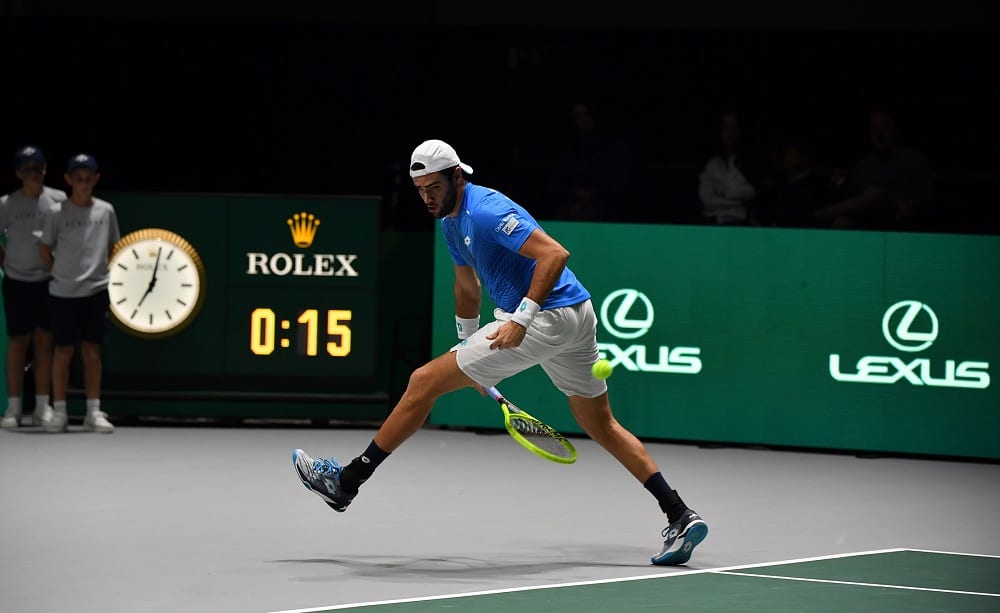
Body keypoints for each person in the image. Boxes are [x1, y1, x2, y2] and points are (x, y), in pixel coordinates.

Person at [293, 139, 708, 566]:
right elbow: (466, 285)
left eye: (434, 186)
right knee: (600, 424)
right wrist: (466, 341)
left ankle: (346, 482)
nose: (427, 196)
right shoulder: (450, 222)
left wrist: (522, 319)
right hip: (575, 316)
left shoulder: (488, 210)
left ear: (457, 175)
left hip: (546, 317)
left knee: (421, 383)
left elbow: (555, 254)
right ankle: (679, 513)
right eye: (420, 189)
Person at [38, 153, 119, 433]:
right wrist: (63, 273)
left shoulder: (106, 211)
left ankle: (93, 412)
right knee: (62, 352)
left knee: (92, 352)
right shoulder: (56, 212)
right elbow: (45, 250)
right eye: (79, 179)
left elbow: (112, 247)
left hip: (95, 291)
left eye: (89, 179)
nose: (84, 184)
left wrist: (93, 273)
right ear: (69, 180)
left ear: (96, 180)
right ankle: (59, 412)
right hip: (62, 292)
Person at [0, 146, 66, 430]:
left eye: (37, 168)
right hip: (16, 282)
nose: (33, 174)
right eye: (27, 169)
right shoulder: (6, 203)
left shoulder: (59, 199)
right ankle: (13, 408)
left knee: (44, 344)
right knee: (18, 343)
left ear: (45, 169)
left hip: (48, 282)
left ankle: (42, 407)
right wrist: (9, 264)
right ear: (18, 173)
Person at [816, 110, 932, 230]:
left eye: (885, 127)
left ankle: (820, 215)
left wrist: (910, 203)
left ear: (894, 130)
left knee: (877, 194)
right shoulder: (864, 165)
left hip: (898, 214)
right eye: (874, 129)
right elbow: (852, 198)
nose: (879, 134)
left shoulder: (913, 158)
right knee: (841, 222)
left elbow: (926, 193)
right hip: (868, 219)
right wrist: (835, 188)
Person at [697, 111, 765, 226]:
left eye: (733, 127)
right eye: (726, 127)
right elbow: (707, 200)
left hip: (743, 224)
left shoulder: (751, 163)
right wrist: (738, 202)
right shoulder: (713, 164)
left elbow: (750, 193)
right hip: (714, 225)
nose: (730, 133)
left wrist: (723, 195)